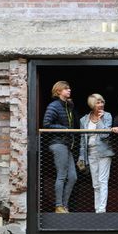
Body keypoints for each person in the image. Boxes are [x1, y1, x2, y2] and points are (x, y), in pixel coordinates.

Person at [43, 81, 78, 214]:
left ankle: (64, 205)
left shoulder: (68, 106)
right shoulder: (54, 106)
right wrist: (64, 129)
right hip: (57, 143)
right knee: (62, 175)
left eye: (69, 88)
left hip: (67, 144)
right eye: (66, 89)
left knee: (73, 177)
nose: (69, 90)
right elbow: (46, 124)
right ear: (58, 91)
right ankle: (59, 206)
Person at [78, 94, 114, 213]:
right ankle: (96, 208)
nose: (101, 105)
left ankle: (102, 209)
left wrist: (99, 120)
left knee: (103, 180)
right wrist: (82, 156)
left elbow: (105, 135)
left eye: (102, 102)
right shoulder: (84, 120)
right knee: (95, 183)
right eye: (98, 102)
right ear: (92, 104)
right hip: (90, 153)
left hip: (104, 152)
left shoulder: (107, 116)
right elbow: (82, 140)